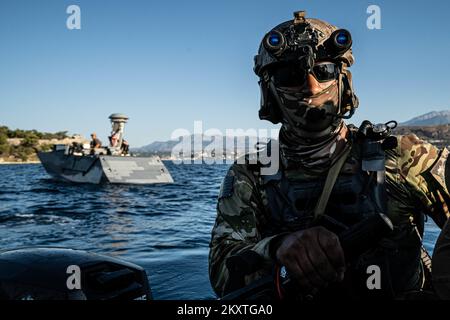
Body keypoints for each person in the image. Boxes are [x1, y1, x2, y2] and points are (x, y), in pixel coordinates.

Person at [209, 11, 450, 300]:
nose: (311, 87)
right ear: (269, 92)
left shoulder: (402, 156)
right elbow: (223, 276)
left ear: (343, 81)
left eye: (324, 71)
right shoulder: (251, 174)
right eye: (290, 75)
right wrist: (277, 248)